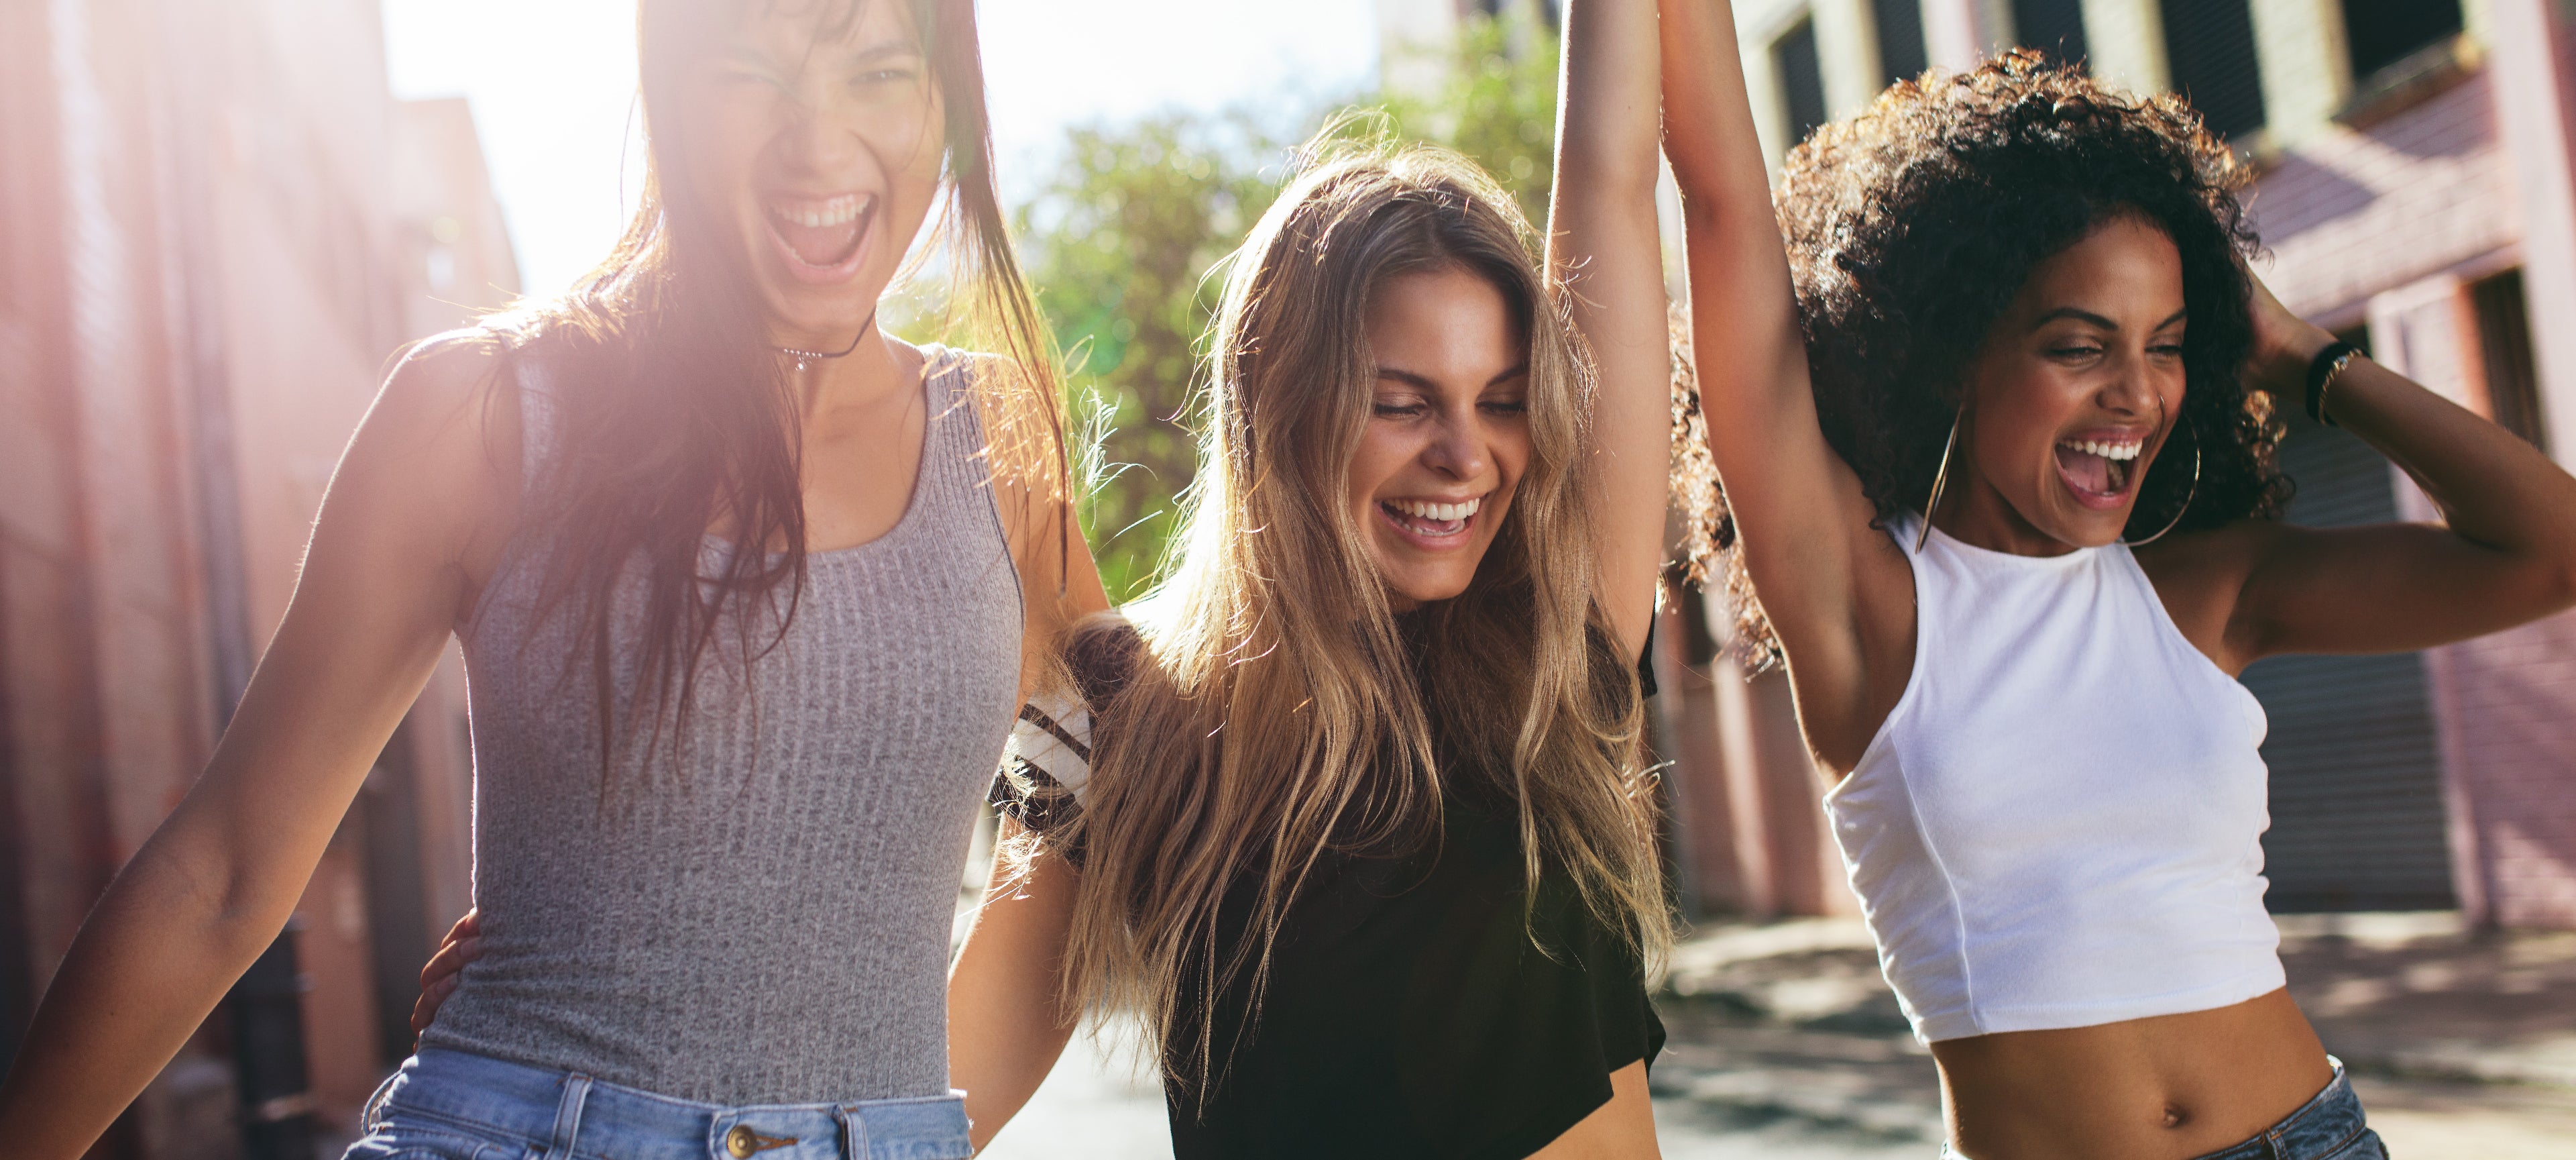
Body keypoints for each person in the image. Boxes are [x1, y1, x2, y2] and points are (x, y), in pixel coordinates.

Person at [0, 1, 1105, 1158]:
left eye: (878, 73)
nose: (818, 145)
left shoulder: (1000, 439)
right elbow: (222, 869)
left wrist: (899, 1126)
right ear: (668, 99)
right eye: (750, 75)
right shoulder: (481, 413)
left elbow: (1106, 796)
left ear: (949, 110)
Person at [1657, 1, 2576, 1157]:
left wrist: (2306, 358)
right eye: (2079, 346)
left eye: (2168, 344)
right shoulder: (1867, 604)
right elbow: (1722, 206)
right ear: (1950, 358)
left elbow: (2550, 551)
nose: (2136, 397)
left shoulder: (2202, 592)